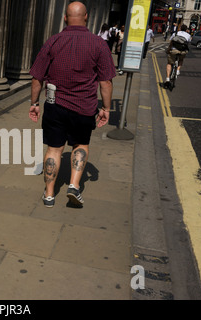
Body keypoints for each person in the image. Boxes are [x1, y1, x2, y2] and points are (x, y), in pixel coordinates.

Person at [29, 1, 116, 208]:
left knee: (54, 149)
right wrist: (106, 108)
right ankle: (74, 186)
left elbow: (36, 78)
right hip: (84, 107)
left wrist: (34, 103)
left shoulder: (53, 41)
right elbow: (105, 82)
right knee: (80, 145)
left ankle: (49, 195)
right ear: (86, 17)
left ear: (65, 18)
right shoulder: (99, 44)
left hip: (55, 105)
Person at [164, 24, 191, 89]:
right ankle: (178, 70)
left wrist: (168, 50)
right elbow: (188, 42)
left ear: (180, 28)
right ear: (186, 29)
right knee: (181, 59)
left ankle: (167, 78)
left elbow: (171, 42)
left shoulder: (175, 34)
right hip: (182, 51)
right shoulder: (188, 35)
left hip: (174, 50)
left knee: (169, 63)